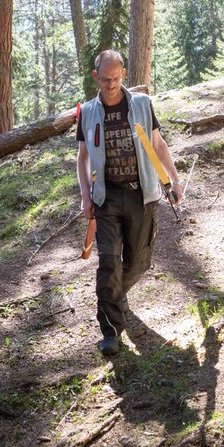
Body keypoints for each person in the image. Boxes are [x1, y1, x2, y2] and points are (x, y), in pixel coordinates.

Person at [77, 50, 182, 356]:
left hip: (142, 195)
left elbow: (158, 144)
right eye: (105, 79)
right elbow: (83, 157)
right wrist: (86, 194)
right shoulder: (87, 112)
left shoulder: (142, 104)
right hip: (106, 197)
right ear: (96, 77)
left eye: (116, 78)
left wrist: (173, 180)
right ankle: (110, 330)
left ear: (123, 74)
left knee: (139, 262)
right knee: (108, 262)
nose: (110, 85)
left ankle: (115, 295)